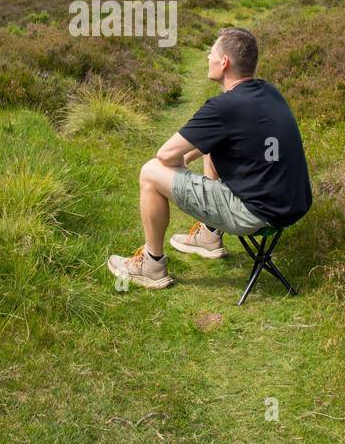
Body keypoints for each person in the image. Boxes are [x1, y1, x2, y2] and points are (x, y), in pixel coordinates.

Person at [107, 26, 312, 289]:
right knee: (213, 145)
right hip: (292, 203)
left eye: (211, 52)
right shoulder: (268, 91)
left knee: (150, 172)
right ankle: (209, 236)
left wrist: (177, 168)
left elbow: (165, 154)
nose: (208, 57)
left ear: (224, 62)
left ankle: (152, 265)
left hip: (256, 212)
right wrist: (189, 159)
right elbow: (217, 142)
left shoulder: (223, 107)